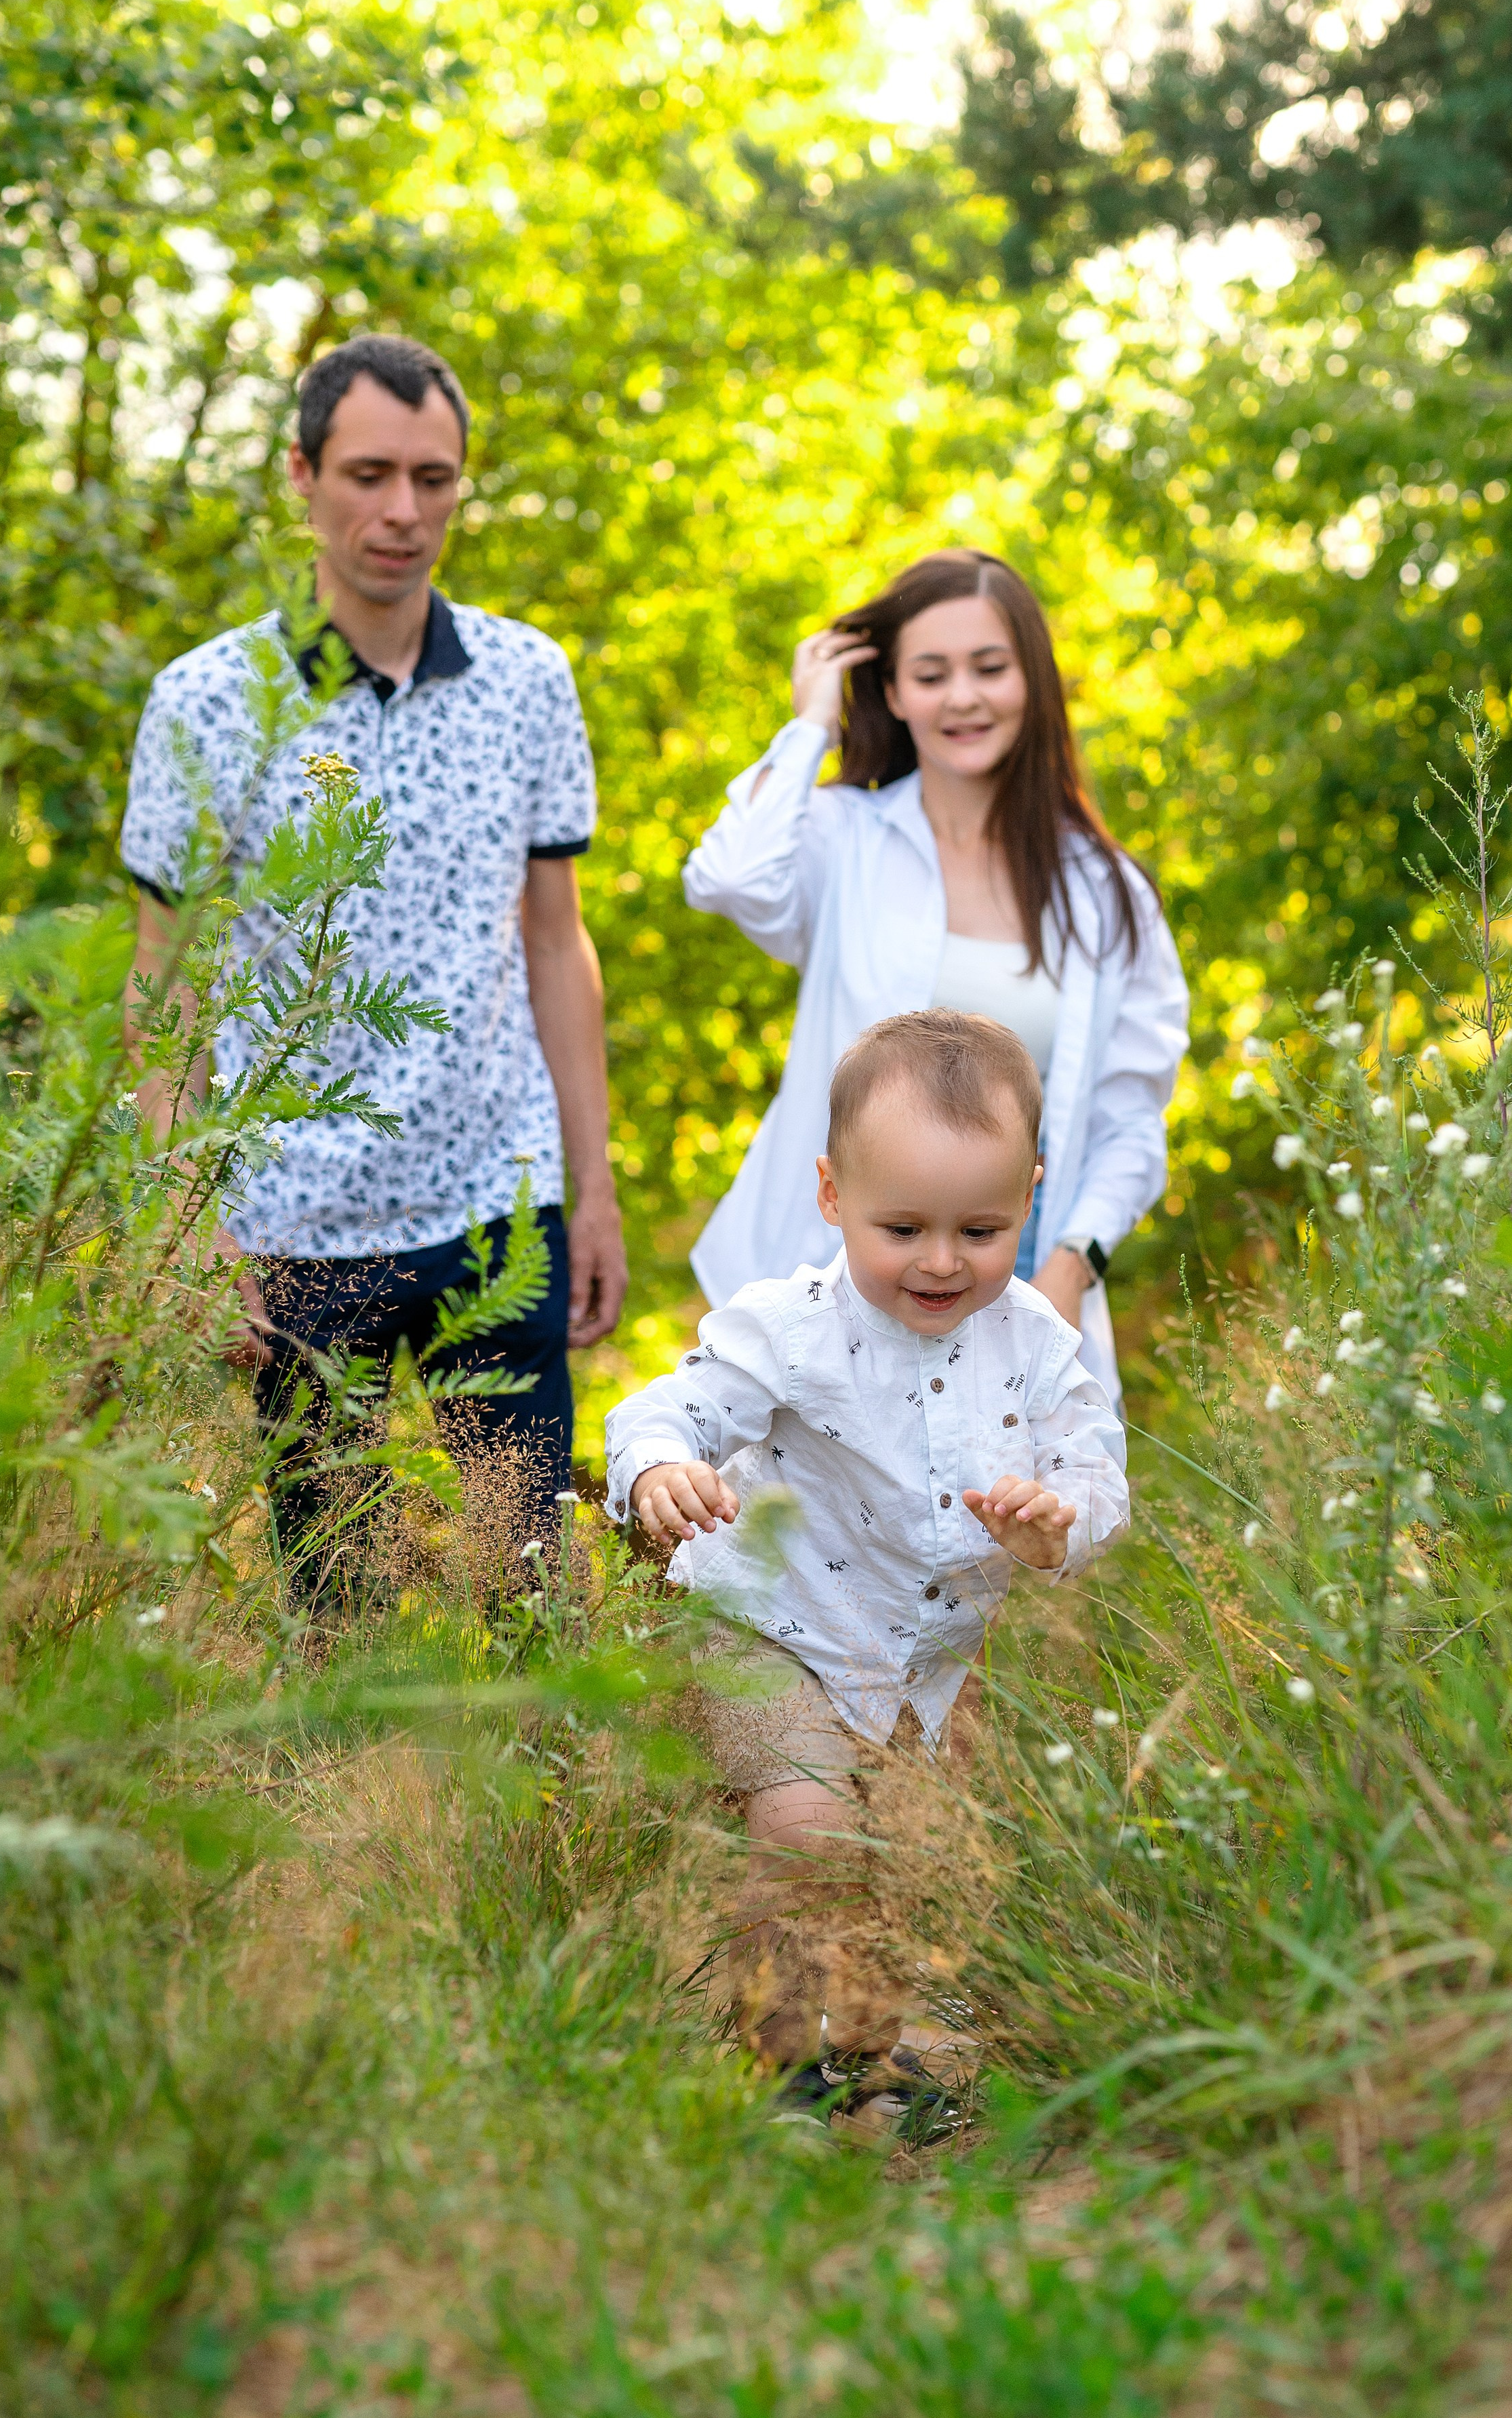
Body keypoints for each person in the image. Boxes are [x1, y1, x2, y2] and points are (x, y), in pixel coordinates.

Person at [119, 333, 627, 1556]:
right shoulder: (206, 700)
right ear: (301, 475)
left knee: (527, 1586)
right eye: (368, 474)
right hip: (293, 1219)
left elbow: (558, 945)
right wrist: (189, 1223)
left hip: (495, 1201)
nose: (402, 512)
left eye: (433, 478)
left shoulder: (527, 679)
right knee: (335, 1603)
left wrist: (591, 1185)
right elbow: (162, 985)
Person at [605, 1010, 1128, 2130]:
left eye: (980, 1229)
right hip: (769, 1631)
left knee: (904, 1865)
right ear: (834, 1193)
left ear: (1030, 1196)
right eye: (903, 1227)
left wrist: (1061, 1518)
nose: (941, 1261)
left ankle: (871, 2061)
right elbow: (666, 1409)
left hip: (923, 1670)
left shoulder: (1036, 1344)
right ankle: (776, 2070)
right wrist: (657, 1474)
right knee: (806, 1831)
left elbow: (1095, 1475)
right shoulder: (790, 1328)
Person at [683, 549, 1189, 1398]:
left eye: (989, 668)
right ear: (891, 692)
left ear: (1031, 680)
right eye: (931, 673)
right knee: (790, 1530)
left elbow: (1130, 1121)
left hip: (1014, 1302)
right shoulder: (841, 838)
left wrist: (1073, 1267)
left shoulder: (1106, 893)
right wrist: (810, 724)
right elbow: (728, 877)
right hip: (821, 1295)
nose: (962, 696)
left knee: (1005, 1529)